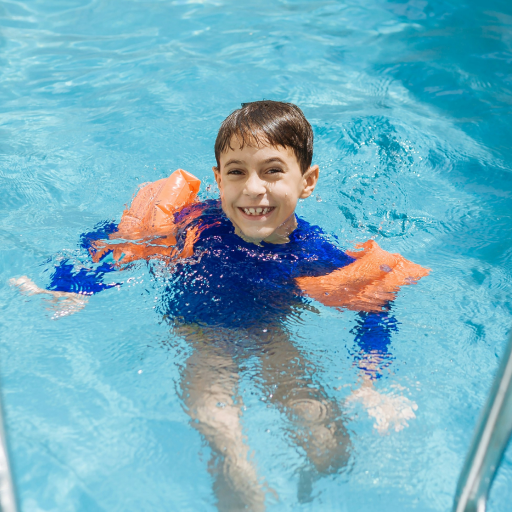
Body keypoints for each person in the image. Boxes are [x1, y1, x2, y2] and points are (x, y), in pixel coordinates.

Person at [11, 101, 428, 511]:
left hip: (269, 333)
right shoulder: (197, 221)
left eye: (272, 171)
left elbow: (375, 306)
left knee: (328, 445)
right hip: (201, 334)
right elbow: (115, 241)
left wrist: (371, 383)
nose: (253, 189)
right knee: (225, 436)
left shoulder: (313, 253)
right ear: (218, 179)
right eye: (236, 173)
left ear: (308, 181)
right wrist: (72, 288)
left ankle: (310, 488)